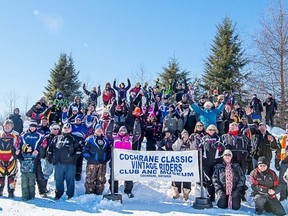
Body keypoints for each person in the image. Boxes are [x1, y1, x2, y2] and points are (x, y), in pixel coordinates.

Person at [48, 123, 82, 200]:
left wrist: (72, 158)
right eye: (65, 127)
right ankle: (58, 194)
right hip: (58, 163)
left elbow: (79, 150)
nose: (66, 129)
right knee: (58, 179)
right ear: (62, 128)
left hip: (70, 163)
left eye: (68, 128)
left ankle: (70, 194)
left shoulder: (74, 138)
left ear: (71, 129)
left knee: (70, 179)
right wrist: (51, 158)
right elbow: (50, 148)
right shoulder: (57, 138)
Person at [20, 121, 47, 198]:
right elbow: (18, 144)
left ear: (36, 127)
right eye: (31, 126)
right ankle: (27, 193)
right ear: (29, 126)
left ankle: (42, 191)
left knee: (39, 176)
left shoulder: (40, 135)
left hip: (36, 158)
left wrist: (38, 150)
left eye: (34, 126)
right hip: (26, 159)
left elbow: (44, 143)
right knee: (26, 177)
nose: (32, 128)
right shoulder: (23, 135)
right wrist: (20, 151)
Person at [83, 124, 111, 195]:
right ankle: (89, 193)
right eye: (97, 129)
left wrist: (107, 158)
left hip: (102, 163)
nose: (99, 131)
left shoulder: (106, 140)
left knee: (101, 179)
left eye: (100, 129)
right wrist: (89, 158)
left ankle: (99, 193)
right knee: (90, 178)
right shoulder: (90, 139)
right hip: (92, 163)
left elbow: (109, 151)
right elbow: (85, 149)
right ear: (95, 130)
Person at [200, 124, 225, 202]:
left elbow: (223, 149)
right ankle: (211, 195)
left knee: (216, 179)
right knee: (208, 178)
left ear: (215, 130)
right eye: (209, 130)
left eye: (213, 130)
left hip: (216, 161)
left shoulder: (219, 138)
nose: (211, 131)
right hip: (206, 162)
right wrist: (200, 146)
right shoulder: (204, 138)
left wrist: (219, 147)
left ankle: (219, 194)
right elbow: (199, 147)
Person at [171, 129, 197, 200]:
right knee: (176, 176)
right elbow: (175, 148)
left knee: (187, 177)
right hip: (178, 163)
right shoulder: (178, 141)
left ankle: (186, 192)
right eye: (183, 134)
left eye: (186, 134)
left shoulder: (191, 142)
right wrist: (180, 140)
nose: (185, 136)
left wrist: (191, 142)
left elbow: (194, 149)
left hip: (188, 164)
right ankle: (176, 190)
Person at [109, 126, 134, 198]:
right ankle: (114, 191)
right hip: (116, 159)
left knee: (128, 176)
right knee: (114, 176)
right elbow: (107, 132)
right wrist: (111, 123)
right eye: (121, 131)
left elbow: (138, 134)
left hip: (126, 160)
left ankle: (128, 191)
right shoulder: (114, 138)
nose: (122, 132)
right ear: (119, 131)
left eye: (124, 131)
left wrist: (136, 123)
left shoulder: (130, 138)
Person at [0, 119, 21, 198]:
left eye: (9, 125)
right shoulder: (0, 134)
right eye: (6, 125)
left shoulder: (16, 135)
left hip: (11, 159)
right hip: (0, 159)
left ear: (12, 126)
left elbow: (19, 144)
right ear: (3, 126)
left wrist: (18, 150)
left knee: (12, 176)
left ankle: (11, 192)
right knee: (0, 176)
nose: (7, 127)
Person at [274, 123, 288, 201]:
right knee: (282, 179)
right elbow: (278, 151)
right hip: (284, 161)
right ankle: (283, 196)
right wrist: (277, 161)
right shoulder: (282, 138)